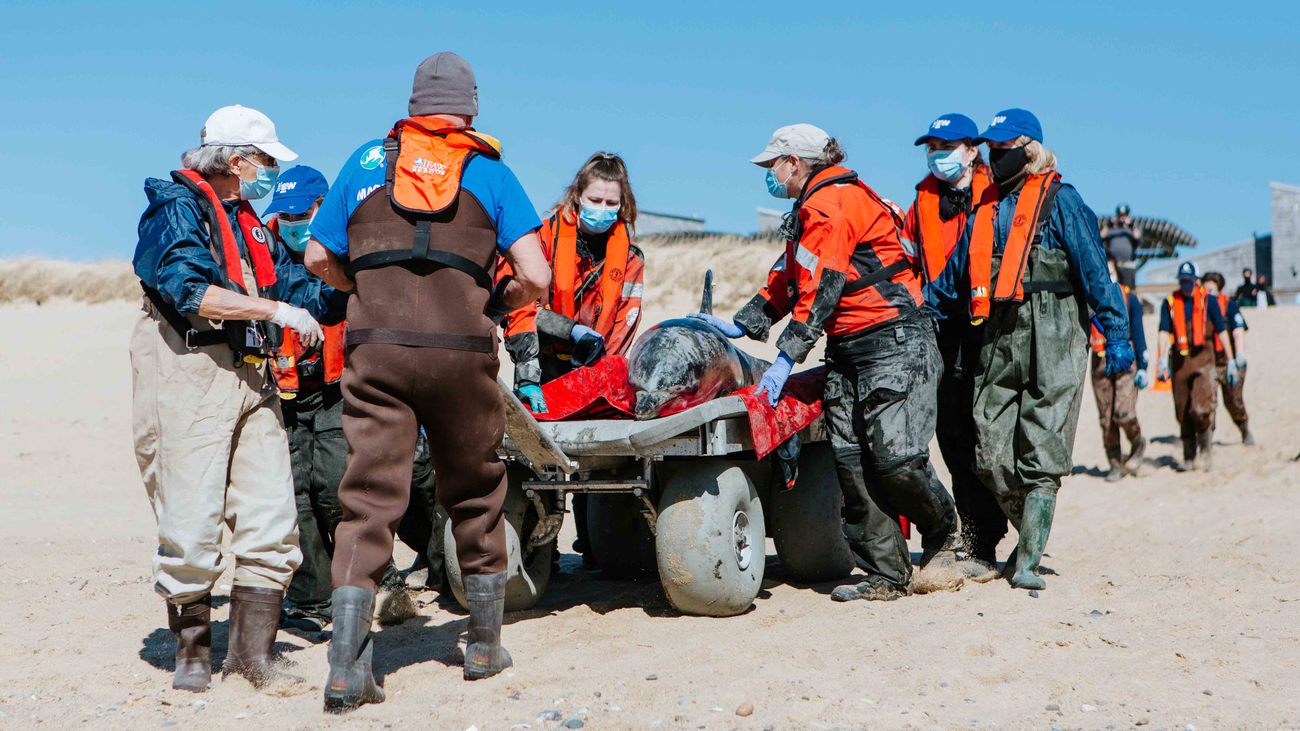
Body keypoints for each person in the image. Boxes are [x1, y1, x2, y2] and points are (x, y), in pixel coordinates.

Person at [304, 51, 551, 712]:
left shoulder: (363, 162)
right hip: (461, 354)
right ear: (469, 107)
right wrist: (494, 299)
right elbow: (538, 273)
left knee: (367, 496)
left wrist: (367, 288)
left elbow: (316, 254)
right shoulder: (490, 172)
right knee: (475, 486)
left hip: (376, 354)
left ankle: (346, 670)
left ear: (414, 104)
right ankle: (483, 644)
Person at [131, 105, 347, 692]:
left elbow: (297, 285)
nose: (271, 171)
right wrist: (275, 311)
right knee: (191, 514)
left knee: (271, 516)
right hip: (190, 367)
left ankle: (253, 656)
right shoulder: (176, 209)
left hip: (253, 374)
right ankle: (193, 650)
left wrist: (354, 288)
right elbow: (189, 288)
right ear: (234, 159)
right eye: (266, 160)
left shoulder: (247, 221)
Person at [696, 123, 961, 602]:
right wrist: (745, 321)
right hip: (848, 348)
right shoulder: (811, 208)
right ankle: (888, 575)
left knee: (896, 460)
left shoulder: (831, 203)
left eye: (772, 165)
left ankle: (945, 534)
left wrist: (784, 359)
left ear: (794, 162)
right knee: (852, 462)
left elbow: (823, 289)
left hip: (894, 342)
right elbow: (791, 276)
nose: (769, 175)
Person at [928, 108, 1133, 590]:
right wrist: (917, 309)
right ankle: (1028, 534)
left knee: (1041, 446)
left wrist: (1117, 333)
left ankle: (1027, 563)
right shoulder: (986, 207)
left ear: (1029, 148)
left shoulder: (1064, 202)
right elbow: (952, 279)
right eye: (992, 150)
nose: (995, 157)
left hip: (1056, 333)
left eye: (1003, 148)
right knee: (989, 439)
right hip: (999, 332)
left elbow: (1096, 274)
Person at [263, 167, 433, 631]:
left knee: (340, 488)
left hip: (342, 385)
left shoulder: (348, 246)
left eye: (302, 213)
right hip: (286, 388)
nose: (293, 221)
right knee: (295, 499)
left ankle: (377, 582)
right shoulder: (264, 249)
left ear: (322, 208)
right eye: (286, 214)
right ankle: (309, 603)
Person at [498, 152, 645, 568]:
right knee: (537, 462)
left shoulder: (630, 258)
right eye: (594, 200)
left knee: (594, 460)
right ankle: (539, 554)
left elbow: (625, 322)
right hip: (541, 363)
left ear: (623, 204)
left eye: (610, 203)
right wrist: (551, 349)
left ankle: (596, 547)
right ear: (577, 197)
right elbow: (520, 306)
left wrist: (600, 370)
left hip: (592, 367)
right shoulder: (541, 238)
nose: (601, 210)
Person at [904, 113, 1003, 580]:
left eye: (945, 146)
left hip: (990, 326)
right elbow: (904, 257)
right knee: (952, 435)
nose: (936, 155)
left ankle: (992, 533)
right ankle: (976, 536)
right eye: (931, 147)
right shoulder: (921, 199)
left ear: (970, 149)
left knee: (990, 432)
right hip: (939, 330)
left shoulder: (996, 191)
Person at [1156, 262, 1233, 471]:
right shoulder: (1170, 303)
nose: (1186, 284)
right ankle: (1189, 457)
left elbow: (1222, 329)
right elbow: (1163, 331)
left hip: (1204, 361)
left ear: (1196, 281)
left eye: (1189, 280)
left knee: (1201, 409)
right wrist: (1162, 360)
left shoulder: (1209, 301)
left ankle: (1206, 451)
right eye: (1182, 280)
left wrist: (1232, 359)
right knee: (1182, 411)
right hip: (1180, 363)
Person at [1089, 256, 1148, 481]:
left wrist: (1143, 365)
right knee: (1106, 417)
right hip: (1099, 359)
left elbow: (1139, 332)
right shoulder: (1089, 299)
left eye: (1110, 271)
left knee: (1123, 412)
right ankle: (1115, 463)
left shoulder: (1129, 298)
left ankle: (1137, 442)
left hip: (1125, 356)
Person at [1201, 271, 1254, 445]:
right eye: (1205, 289)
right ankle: (1207, 440)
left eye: (1211, 289)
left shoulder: (1229, 305)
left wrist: (1238, 355)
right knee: (1208, 403)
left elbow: (1238, 331)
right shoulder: (1199, 308)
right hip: (1210, 363)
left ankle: (1244, 428)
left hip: (1229, 361)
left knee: (1233, 402)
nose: (1207, 293)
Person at [1100, 203, 1141, 288]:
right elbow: (1101, 236)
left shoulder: (1131, 230)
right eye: (1120, 216)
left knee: (1128, 292)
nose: (1122, 218)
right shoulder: (1111, 229)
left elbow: (1138, 236)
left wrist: (1131, 224)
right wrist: (1110, 224)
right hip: (1114, 267)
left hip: (1127, 266)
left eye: (1124, 216)